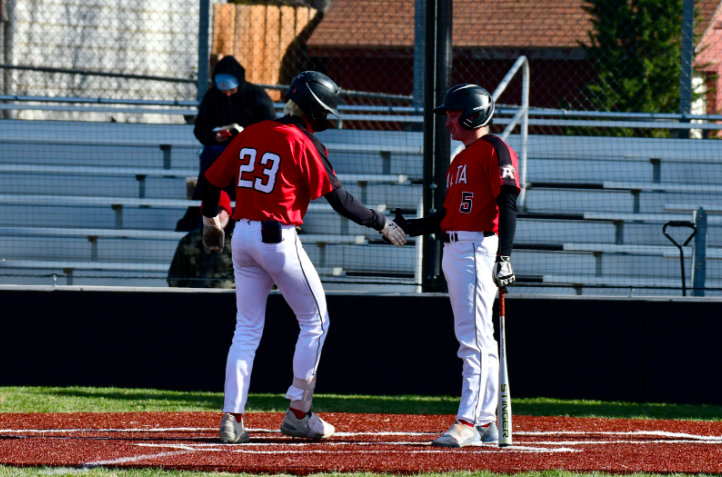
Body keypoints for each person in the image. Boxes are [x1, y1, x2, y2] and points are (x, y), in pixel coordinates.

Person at [200, 71, 407, 444]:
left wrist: (209, 219)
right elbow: (341, 201)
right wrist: (381, 223)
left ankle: (232, 418)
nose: (330, 116)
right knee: (316, 322)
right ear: (313, 108)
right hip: (277, 237)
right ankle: (298, 412)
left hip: (242, 237)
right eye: (326, 109)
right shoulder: (301, 141)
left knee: (245, 330)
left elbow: (210, 180)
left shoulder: (253, 131)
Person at [395, 84, 519, 448]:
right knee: (479, 339)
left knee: (475, 340)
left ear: (473, 114)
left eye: (453, 114)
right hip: (458, 249)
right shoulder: (461, 157)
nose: (447, 121)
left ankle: (467, 422)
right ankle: (484, 421)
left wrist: (505, 256)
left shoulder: (494, 148)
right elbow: (449, 216)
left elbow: (508, 202)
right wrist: (411, 227)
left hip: (478, 249)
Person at [177, 56, 277, 232]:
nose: (227, 94)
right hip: (220, 151)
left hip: (250, 153)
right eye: (223, 90)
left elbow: (272, 129)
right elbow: (200, 129)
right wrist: (214, 137)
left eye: (232, 89)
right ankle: (206, 216)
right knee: (211, 154)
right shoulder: (212, 97)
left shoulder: (257, 97)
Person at [167, 191, 234, 288]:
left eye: (219, 210)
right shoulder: (189, 242)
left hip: (232, 299)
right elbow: (175, 277)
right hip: (198, 300)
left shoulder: (241, 242)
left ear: (228, 213)